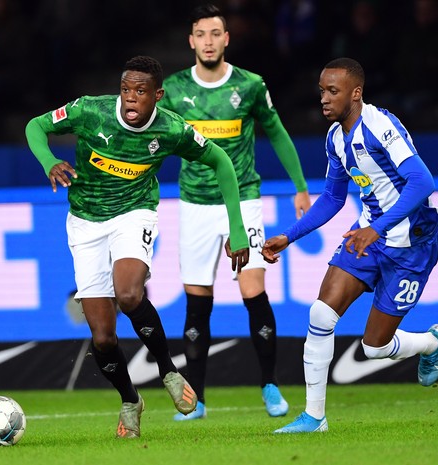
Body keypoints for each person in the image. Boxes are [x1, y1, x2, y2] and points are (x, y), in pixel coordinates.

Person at [25, 55, 250, 438]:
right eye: (126, 90)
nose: (130, 99)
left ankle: (168, 371)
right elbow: (36, 126)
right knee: (102, 337)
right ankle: (130, 400)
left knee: (128, 293)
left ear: (157, 95)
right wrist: (48, 160)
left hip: (134, 214)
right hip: (84, 222)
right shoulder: (89, 111)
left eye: (140, 92)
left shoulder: (172, 129)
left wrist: (238, 228)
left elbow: (221, 162)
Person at [260, 57, 438, 434]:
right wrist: (289, 235)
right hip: (367, 238)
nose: (324, 99)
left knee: (374, 348)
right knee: (320, 315)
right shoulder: (335, 138)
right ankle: (315, 417)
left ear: (356, 93)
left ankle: (430, 343)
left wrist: (377, 228)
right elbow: (332, 198)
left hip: (412, 244)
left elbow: (422, 182)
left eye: (333, 91)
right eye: (321, 91)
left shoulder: (380, 127)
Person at [161, 4, 311, 421]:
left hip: (243, 200)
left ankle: (269, 386)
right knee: (197, 304)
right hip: (193, 204)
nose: (208, 41)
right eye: (201, 34)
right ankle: (198, 401)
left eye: (215, 33)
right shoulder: (172, 90)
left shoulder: (249, 85)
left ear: (227, 38)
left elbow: (277, 132)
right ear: (191, 41)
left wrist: (300, 187)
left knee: (253, 292)